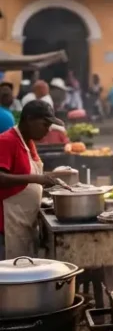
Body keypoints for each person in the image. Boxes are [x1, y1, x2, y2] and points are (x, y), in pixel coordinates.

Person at [0, 101, 64, 257]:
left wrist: (51, 178)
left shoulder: (28, 143)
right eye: (44, 124)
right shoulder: (7, 141)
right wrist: (37, 178)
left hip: (24, 222)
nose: (47, 130)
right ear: (29, 119)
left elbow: (23, 174)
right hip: (5, 227)